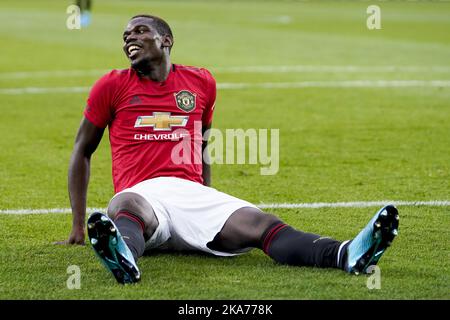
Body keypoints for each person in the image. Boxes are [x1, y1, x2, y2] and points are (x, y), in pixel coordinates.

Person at [63, 14, 399, 284]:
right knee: (125, 204)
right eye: (125, 36)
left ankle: (346, 254)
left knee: (261, 224)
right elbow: (82, 150)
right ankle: (124, 257)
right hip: (144, 195)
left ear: (166, 40)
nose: (129, 39)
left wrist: (205, 197)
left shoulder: (201, 82)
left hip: (191, 194)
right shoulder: (111, 85)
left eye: (139, 31)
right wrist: (78, 224)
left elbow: (203, 141)